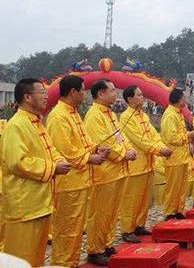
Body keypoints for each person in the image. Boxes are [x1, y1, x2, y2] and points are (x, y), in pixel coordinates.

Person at [1, 79, 70, 267]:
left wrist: (59, 161)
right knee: (21, 259)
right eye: (42, 92)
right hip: (24, 206)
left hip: (40, 203)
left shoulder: (37, 122)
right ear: (27, 97)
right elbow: (18, 162)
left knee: (36, 258)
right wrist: (52, 168)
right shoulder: (16, 125)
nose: (46, 96)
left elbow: (51, 149)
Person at [46, 75, 108, 267]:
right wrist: (90, 157)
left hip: (80, 181)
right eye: (82, 89)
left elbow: (85, 142)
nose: (85, 94)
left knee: (76, 229)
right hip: (68, 183)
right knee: (66, 229)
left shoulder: (73, 113)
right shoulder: (58, 116)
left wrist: (96, 150)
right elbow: (65, 150)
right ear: (73, 92)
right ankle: (63, 263)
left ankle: (71, 262)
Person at [84, 79, 137, 265]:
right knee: (100, 213)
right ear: (101, 93)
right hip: (105, 173)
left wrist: (128, 149)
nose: (116, 94)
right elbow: (102, 144)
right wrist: (124, 153)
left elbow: (120, 137)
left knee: (112, 212)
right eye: (113, 91)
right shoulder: (93, 116)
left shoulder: (111, 114)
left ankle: (106, 243)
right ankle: (94, 249)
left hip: (118, 171)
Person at [118, 86, 173, 243]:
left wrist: (161, 146)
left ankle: (139, 225)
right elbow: (139, 141)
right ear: (130, 99)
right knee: (131, 199)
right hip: (135, 165)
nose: (143, 97)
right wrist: (159, 149)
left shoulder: (143, 116)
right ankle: (127, 229)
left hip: (148, 164)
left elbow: (153, 135)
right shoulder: (125, 117)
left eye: (142, 95)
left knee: (144, 198)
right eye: (139, 95)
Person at [160, 89, 194, 220]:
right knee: (173, 187)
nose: (186, 100)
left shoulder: (178, 114)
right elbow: (172, 137)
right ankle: (170, 212)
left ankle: (178, 209)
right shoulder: (170, 115)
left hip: (182, 157)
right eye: (184, 98)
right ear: (178, 100)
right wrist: (189, 135)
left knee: (182, 186)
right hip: (174, 158)